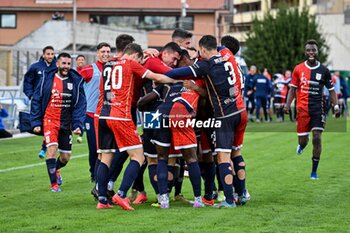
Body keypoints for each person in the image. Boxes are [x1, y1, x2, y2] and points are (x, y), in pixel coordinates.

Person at [165, 35, 247, 208]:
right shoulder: (226, 54)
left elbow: (175, 73)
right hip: (241, 110)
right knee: (236, 153)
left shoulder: (206, 65)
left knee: (223, 157)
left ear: (201, 49)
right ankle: (242, 194)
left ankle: (229, 200)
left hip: (224, 115)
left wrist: (158, 70)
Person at [96, 43, 177, 210]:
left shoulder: (107, 64)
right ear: (135, 56)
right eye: (140, 60)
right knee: (139, 157)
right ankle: (121, 194)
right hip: (121, 116)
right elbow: (158, 77)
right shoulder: (131, 64)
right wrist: (177, 80)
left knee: (105, 158)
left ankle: (102, 199)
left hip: (103, 114)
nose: (141, 63)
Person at [284, 39, 340, 180]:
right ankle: (303, 144)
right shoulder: (298, 69)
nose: (311, 52)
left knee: (317, 137)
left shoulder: (324, 71)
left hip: (318, 109)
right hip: (302, 110)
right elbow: (292, 89)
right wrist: (287, 104)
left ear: (317, 52)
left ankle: (314, 172)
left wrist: (336, 106)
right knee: (302, 141)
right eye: (308, 50)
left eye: (313, 50)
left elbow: (332, 90)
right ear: (305, 52)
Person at [30, 52, 86, 192]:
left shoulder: (75, 81)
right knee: (51, 149)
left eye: (68, 64)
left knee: (65, 158)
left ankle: (56, 169)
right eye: (63, 63)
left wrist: (78, 124)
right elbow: (36, 100)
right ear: (57, 64)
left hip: (66, 124)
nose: (66, 66)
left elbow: (80, 105)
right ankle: (54, 185)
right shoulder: (47, 79)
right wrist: (36, 122)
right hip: (49, 120)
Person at [79, 43, 111, 183]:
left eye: (108, 51)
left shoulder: (113, 68)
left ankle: (103, 174)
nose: (105, 54)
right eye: (103, 51)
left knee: (106, 148)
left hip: (107, 114)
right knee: (94, 147)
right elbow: (75, 83)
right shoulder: (88, 70)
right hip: (91, 114)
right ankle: (94, 173)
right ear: (97, 53)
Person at [23, 45, 57, 159]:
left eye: (52, 54)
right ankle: (44, 143)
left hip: (53, 101)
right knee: (40, 125)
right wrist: (31, 95)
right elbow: (27, 82)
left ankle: (44, 148)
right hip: (38, 100)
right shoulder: (35, 67)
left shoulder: (57, 67)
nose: (50, 56)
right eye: (48, 54)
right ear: (43, 55)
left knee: (50, 124)